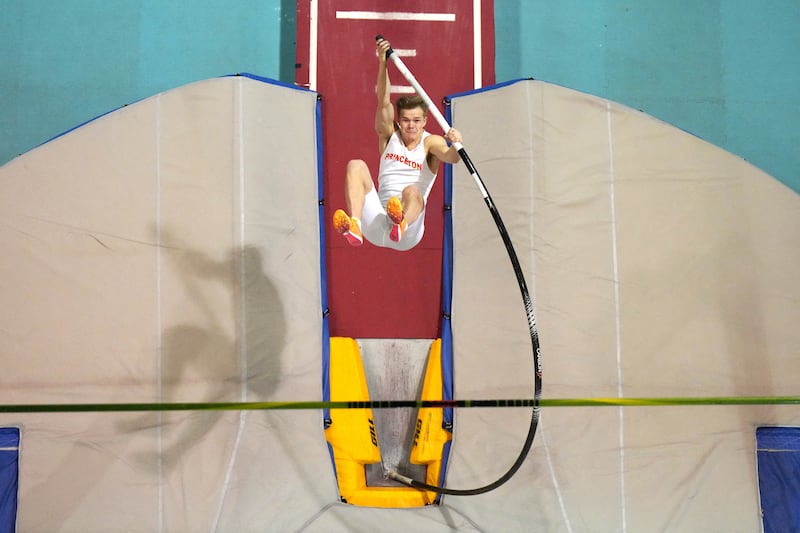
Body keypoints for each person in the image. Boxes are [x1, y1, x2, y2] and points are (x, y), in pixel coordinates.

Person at [332, 37, 463, 252]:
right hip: (377, 222)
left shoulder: (430, 142)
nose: (411, 125)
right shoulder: (389, 135)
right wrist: (383, 63)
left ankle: (401, 221)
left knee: (412, 191)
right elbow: (383, 100)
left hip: (407, 233)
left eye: (416, 120)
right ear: (399, 121)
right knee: (355, 165)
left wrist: (457, 143)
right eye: (406, 120)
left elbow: (452, 157)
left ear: (425, 122)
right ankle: (354, 224)